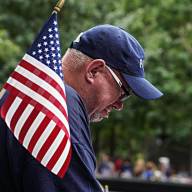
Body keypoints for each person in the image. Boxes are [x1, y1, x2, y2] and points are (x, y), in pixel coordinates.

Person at [0, 24, 163, 191]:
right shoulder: (62, 105)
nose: (120, 105)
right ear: (94, 70)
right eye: (124, 92)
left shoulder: (24, 91)